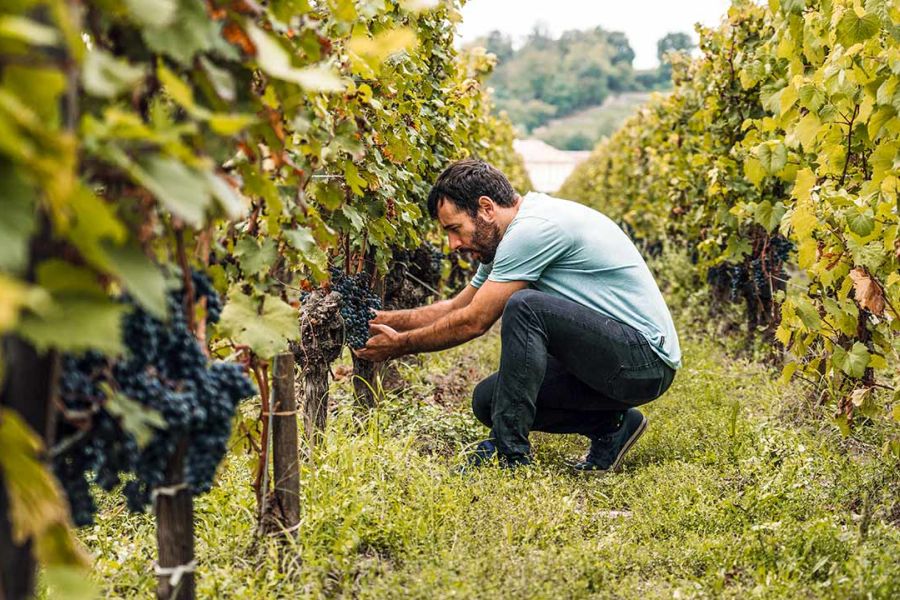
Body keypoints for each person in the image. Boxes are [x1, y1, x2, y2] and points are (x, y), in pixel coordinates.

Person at [355, 159, 681, 472]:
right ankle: (614, 426)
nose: (453, 244)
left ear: (486, 208)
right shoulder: (505, 239)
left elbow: (474, 321)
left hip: (644, 363)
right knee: (489, 401)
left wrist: (399, 345)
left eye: (455, 229)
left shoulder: (532, 230)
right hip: (612, 359)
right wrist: (379, 318)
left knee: (525, 306)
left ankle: (508, 452)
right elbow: (458, 306)